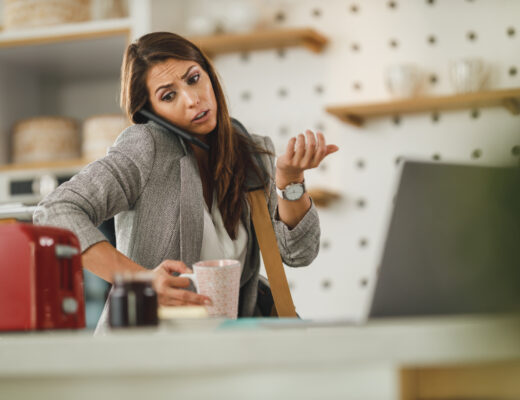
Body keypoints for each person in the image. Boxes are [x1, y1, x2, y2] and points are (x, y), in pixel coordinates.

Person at [33, 32, 339, 332]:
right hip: (148, 350)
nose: (192, 100)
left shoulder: (253, 153)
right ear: (151, 112)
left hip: (227, 354)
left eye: (194, 78)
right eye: (169, 96)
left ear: (209, 74)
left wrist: (291, 181)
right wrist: (140, 281)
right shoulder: (146, 147)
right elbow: (54, 212)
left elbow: (298, 254)